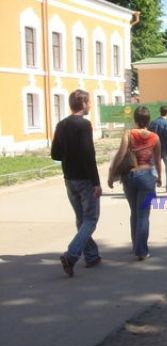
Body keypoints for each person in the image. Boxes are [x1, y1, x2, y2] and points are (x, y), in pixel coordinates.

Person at [51, 89, 102, 278]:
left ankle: (92, 256)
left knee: (81, 219)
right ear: (83, 103)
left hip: (69, 179)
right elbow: (89, 154)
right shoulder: (84, 125)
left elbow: (55, 154)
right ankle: (71, 255)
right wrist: (96, 183)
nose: (90, 106)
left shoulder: (61, 124)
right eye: (89, 102)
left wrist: (69, 154)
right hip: (85, 179)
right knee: (91, 220)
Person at [108, 106, 162, 260]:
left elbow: (120, 154)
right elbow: (157, 159)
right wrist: (159, 177)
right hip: (147, 176)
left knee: (134, 212)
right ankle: (142, 251)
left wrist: (112, 174)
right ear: (148, 120)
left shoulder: (129, 133)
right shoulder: (155, 137)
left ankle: (135, 246)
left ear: (135, 119)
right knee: (143, 215)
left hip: (130, 176)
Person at [148, 105, 167, 192]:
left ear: (160, 112)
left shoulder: (153, 123)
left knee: (153, 167)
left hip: (154, 148)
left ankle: (152, 186)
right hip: (166, 149)